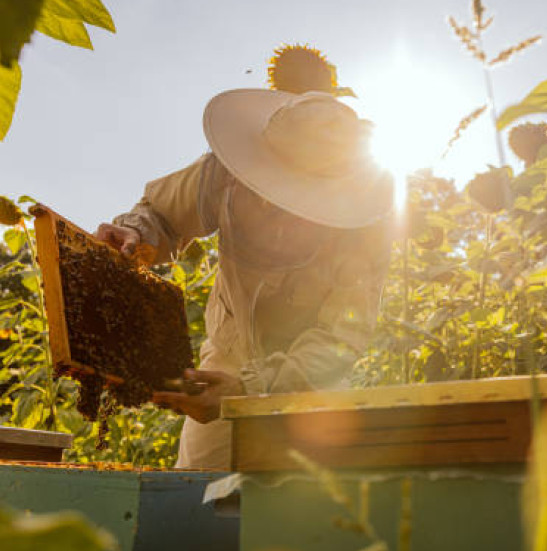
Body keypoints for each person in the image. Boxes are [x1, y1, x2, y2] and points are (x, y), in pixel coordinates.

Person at [96, 86, 394, 470]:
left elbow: (339, 339)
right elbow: (161, 212)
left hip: (311, 380)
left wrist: (250, 389)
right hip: (226, 361)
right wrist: (136, 232)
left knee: (313, 496)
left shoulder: (364, 229)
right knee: (195, 492)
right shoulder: (221, 175)